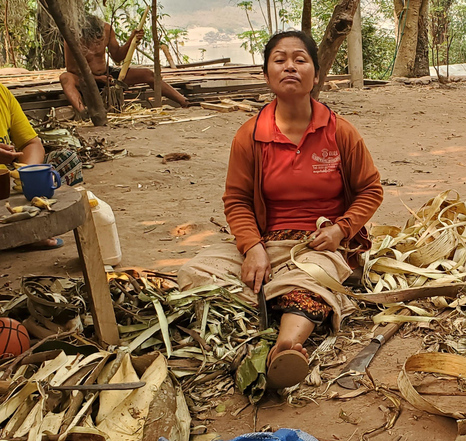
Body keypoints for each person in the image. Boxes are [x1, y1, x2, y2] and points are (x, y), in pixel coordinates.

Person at [178, 31, 383, 389]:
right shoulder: (250, 136)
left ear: (316, 75)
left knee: (311, 281)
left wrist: (341, 229)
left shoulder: (340, 133)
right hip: (265, 240)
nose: (290, 66)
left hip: (319, 246)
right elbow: (237, 200)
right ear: (267, 74)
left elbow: (371, 189)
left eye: (300, 59)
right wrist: (252, 247)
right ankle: (272, 305)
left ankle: (286, 348)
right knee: (194, 273)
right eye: (280, 59)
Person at [1, 82, 84, 249]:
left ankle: (25, 227)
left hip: (6, 185)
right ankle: (22, 233)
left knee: (66, 160)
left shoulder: (2, 93)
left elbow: (32, 143)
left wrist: (27, 173)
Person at [59, 14, 189, 118]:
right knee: (65, 78)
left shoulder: (107, 29)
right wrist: (96, 79)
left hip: (107, 75)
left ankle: (183, 101)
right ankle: (83, 112)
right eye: (93, 40)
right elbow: (72, 69)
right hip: (84, 80)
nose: (97, 43)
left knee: (147, 74)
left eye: (100, 40)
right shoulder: (72, 37)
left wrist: (131, 40)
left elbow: (117, 57)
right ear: (83, 36)